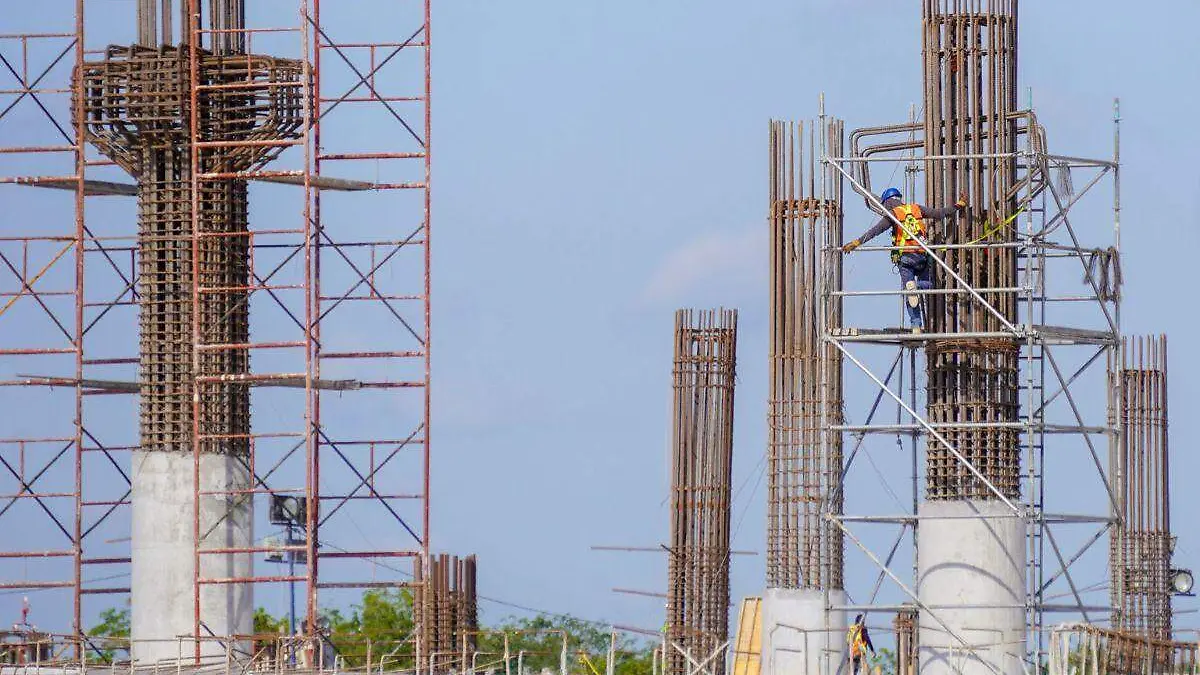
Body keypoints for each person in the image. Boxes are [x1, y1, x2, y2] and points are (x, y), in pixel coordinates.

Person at [842, 187, 968, 333]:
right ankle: (918, 288)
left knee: (910, 292)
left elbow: (874, 231)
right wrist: (959, 205)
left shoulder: (893, 214)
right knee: (926, 285)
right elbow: (939, 214)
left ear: (887, 202)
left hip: (906, 258)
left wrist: (856, 243)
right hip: (922, 255)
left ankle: (916, 326)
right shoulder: (916, 208)